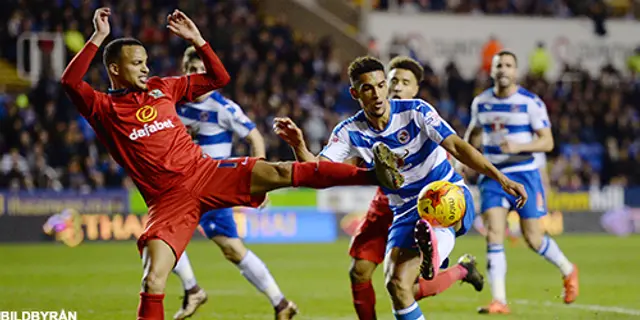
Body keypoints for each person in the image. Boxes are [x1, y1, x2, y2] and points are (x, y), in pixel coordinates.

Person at [61, 8, 403, 320]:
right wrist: (98, 37)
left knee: (283, 171)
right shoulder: (102, 108)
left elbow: (219, 78)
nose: (146, 67)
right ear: (115, 69)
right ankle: (237, 298)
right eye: (138, 63)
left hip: (207, 172)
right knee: (154, 279)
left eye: (146, 61)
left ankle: (373, 174)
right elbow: (70, 82)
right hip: (168, 201)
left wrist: (199, 41)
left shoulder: (162, 87)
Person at [274, 56, 527, 320]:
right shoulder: (350, 131)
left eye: (381, 85)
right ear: (355, 93)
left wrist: (501, 178)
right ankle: (436, 255)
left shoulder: (416, 111)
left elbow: (457, 147)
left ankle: (434, 250)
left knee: (434, 218)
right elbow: (318, 172)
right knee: (397, 286)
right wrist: (299, 146)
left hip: (446, 193)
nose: (378, 94)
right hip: (404, 210)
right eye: (368, 88)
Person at [170, 46, 295, 320]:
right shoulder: (173, 106)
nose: (193, 75)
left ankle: (280, 302)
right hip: (182, 188)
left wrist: (260, 179)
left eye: (199, 71)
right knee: (161, 238)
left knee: (231, 249)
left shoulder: (222, 107)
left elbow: (255, 137)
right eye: (189, 70)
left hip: (213, 186)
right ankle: (193, 290)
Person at [463, 50, 579, 315]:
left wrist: (519, 146)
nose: (503, 69)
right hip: (493, 177)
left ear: (515, 71)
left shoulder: (531, 103)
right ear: (491, 71)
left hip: (525, 175)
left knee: (534, 239)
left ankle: (568, 269)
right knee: (494, 232)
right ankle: (499, 301)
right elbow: (473, 132)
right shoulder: (481, 102)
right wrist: (463, 159)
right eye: (498, 65)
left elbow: (547, 142)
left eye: (508, 65)